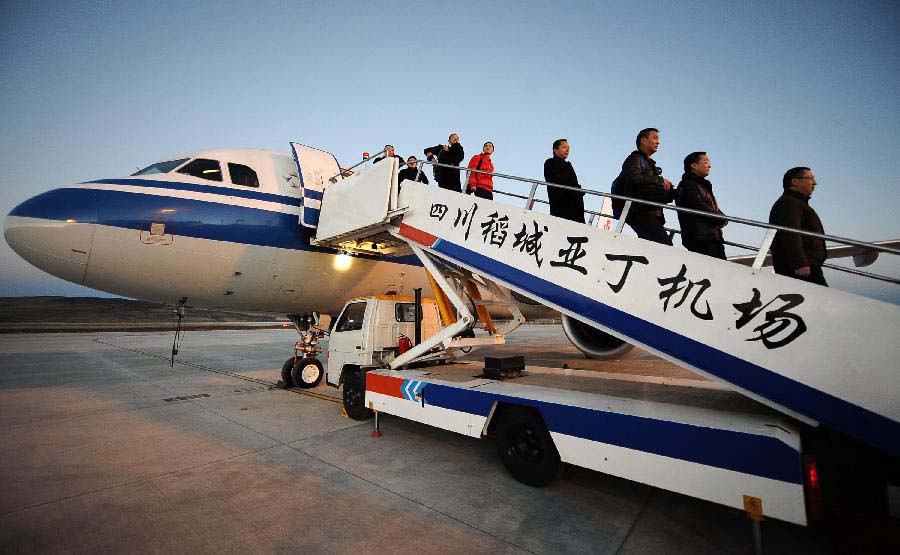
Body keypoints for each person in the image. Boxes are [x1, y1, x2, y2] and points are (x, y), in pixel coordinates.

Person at [611, 128, 675, 245]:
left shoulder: (650, 165)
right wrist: (660, 181)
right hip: (640, 211)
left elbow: (649, 189)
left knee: (656, 248)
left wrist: (670, 192)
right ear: (643, 140)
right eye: (654, 138)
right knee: (664, 246)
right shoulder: (634, 159)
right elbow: (633, 178)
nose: (658, 142)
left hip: (649, 212)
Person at [769, 167, 827, 286]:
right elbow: (790, 232)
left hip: (804, 265)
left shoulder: (796, 203)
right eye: (810, 178)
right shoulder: (789, 203)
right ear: (795, 181)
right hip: (801, 268)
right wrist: (799, 263)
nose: (815, 183)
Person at [675, 152, 727, 259]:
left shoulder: (703, 185)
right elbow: (697, 205)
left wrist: (722, 217)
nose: (709, 165)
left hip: (711, 237)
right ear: (694, 165)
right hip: (701, 238)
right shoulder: (688, 184)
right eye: (706, 162)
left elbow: (712, 208)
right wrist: (721, 218)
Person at [543, 139, 585, 223]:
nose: (567, 150)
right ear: (555, 150)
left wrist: (578, 190)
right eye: (564, 147)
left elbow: (572, 182)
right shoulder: (550, 162)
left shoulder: (568, 165)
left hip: (576, 208)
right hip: (561, 206)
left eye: (568, 148)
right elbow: (554, 180)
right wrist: (576, 188)